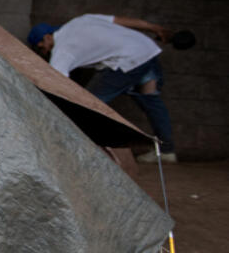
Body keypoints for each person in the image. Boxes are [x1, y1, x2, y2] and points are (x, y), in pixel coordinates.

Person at [28, 14, 177, 163]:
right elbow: (121, 20)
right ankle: (167, 151)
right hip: (147, 50)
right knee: (151, 102)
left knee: (88, 105)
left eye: (40, 45)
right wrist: (154, 28)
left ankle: (76, 151)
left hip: (127, 61)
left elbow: (56, 86)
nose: (42, 50)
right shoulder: (81, 20)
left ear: (47, 37)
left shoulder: (62, 50)